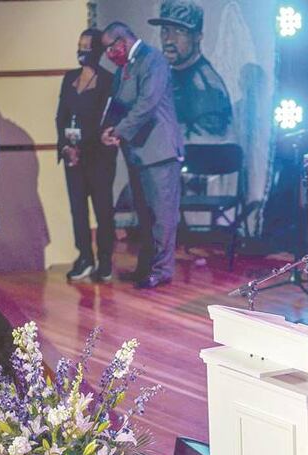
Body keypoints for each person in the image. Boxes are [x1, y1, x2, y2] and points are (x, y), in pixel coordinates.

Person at [101, 22, 183, 290]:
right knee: (145, 216)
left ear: (121, 41)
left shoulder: (153, 60)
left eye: (109, 48)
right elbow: (116, 104)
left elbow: (146, 103)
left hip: (159, 151)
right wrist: (107, 130)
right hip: (137, 152)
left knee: (162, 217)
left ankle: (162, 270)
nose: (108, 54)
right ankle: (147, 267)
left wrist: (120, 131)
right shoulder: (124, 67)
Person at [57, 28, 117, 283]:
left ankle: (104, 261)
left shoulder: (108, 80)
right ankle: (84, 258)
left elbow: (107, 120)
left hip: (98, 157)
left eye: (87, 46)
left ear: (98, 51)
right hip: (72, 158)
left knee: (103, 211)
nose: (82, 51)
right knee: (77, 210)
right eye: (79, 45)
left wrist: (85, 147)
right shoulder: (69, 77)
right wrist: (65, 147)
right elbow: (60, 116)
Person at [150, 0, 233, 143]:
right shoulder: (171, 72)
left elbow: (208, 149)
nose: (169, 39)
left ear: (197, 36)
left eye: (180, 31)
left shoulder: (205, 87)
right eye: (165, 29)